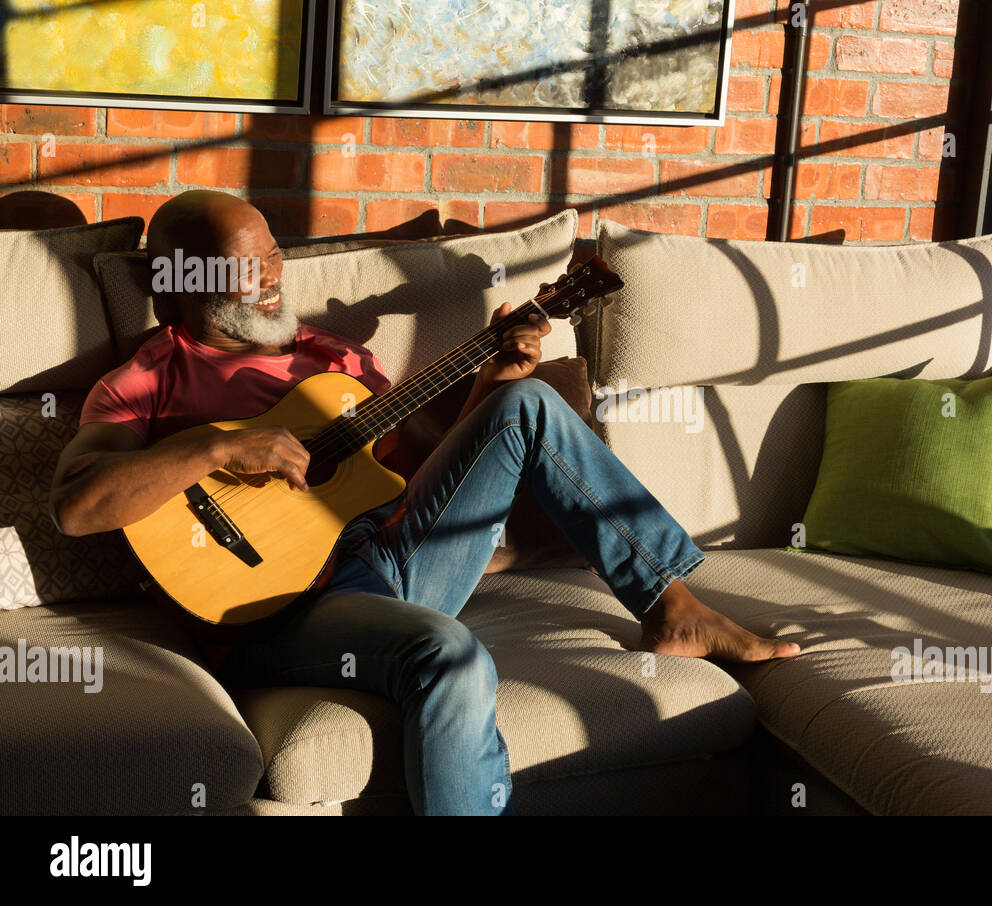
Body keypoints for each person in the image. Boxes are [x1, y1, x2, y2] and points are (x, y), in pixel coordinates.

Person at [48, 190, 800, 815]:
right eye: (250, 264)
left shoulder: (331, 357)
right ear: (187, 281)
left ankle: (672, 605)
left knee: (530, 405)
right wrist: (216, 448)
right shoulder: (149, 378)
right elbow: (78, 506)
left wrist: (492, 382)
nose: (276, 273)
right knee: (449, 655)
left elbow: (409, 474)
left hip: (391, 557)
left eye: (275, 251)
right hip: (274, 607)